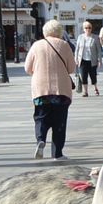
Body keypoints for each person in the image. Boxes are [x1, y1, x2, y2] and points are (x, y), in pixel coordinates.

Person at [25, 20, 76, 160]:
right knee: (59, 121)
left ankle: (40, 139)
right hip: (61, 90)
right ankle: (57, 153)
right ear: (59, 32)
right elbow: (71, 68)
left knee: (41, 117)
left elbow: (27, 68)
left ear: (44, 32)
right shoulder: (64, 45)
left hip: (41, 89)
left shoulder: (36, 45)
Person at [74, 20, 101, 96]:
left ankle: (95, 88)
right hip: (82, 60)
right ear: (83, 29)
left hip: (92, 60)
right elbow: (77, 49)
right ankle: (85, 91)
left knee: (93, 76)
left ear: (91, 28)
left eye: (89, 28)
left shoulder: (95, 37)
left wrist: (99, 60)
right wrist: (76, 59)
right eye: (86, 28)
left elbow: (99, 50)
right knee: (83, 76)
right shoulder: (80, 37)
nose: (88, 29)